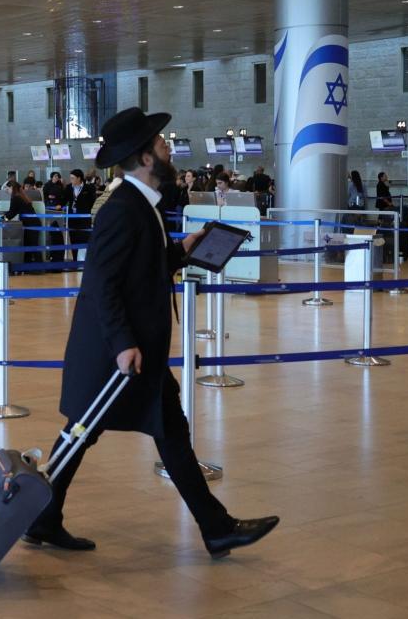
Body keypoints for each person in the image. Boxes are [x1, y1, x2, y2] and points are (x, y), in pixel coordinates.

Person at [24, 107, 278, 558]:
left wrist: (181, 249)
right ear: (144, 157)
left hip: (138, 351)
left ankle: (215, 528)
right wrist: (123, 344)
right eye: (162, 145)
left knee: (151, 431)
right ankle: (41, 515)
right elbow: (102, 282)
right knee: (83, 430)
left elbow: (141, 268)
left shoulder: (142, 205)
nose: (169, 149)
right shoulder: (122, 209)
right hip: (118, 352)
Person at [4, 183, 40, 263]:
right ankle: (30, 266)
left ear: (12, 188)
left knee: (32, 245)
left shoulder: (15, 198)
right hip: (32, 223)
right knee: (29, 244)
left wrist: (2, 218)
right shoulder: (21, 196)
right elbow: (14, 211)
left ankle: (38, 267)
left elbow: (11, 213)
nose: (7, 191)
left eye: (7, 189)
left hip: (30, 223)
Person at [65, 169, 96, 260]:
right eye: (70, 178)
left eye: (73, 178)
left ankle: (84, 260)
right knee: (74, 239)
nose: (71, 180)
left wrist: (85, 210)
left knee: (84, 239)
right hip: (72, 219)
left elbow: (91, 202)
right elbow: (64, 200)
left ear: (79, 178)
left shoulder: (89, 188)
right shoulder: (68, 188)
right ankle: (75, 260)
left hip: (84, 219)